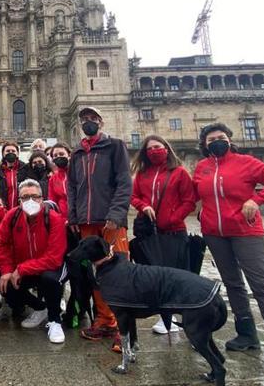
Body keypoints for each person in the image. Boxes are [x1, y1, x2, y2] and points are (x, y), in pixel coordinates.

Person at [193, 123, 264, 380]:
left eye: (221, 137)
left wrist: (256, 200)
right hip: (214, 233)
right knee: (233, 283)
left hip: (247, 232)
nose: (216, 141)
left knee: (262, 286)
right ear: (204, 144)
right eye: (211, 139)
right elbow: (194, 193)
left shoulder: (246, 163)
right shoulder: (202, 167)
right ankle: (246, 333)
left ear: (230, 140)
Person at [67, 106, 132, 352]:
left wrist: (116, 215)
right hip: (86, 221)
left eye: (92, 118)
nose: (88, 122)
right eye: (84, 119)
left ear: (101, 122)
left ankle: (123, 329)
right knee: (97, 275)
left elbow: (124, 182)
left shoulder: (115, 146)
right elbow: (72, 187)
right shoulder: (76, 153)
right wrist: (73, 215)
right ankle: (105, 320)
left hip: (110, 221)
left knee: (119, 272)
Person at [130, 135, 197, 334]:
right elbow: (134, 197)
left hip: (175, 231)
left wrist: (173, 219)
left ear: (166, 149)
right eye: (149, 149)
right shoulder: (142, 174)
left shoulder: (180, 172)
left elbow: (189, 201)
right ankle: (166, 317)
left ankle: (192, 319)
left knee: (179, 275)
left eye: (157, 147)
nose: (153, 151)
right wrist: (144, 206)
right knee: (157, 275)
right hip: (151, 232)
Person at [0, 179, 67, 344]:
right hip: (25, 268)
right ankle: (40, 308)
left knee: (50, 279)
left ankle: (55, 321)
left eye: (35, 196)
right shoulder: (12, 216)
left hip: (51, 268)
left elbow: (54, 259)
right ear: (19, 201)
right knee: (5, 286)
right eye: (25, 197)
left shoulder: (54, 219)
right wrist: (7, 270)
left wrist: (21, 269)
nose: (30, 201)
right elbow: (2, 243)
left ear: (42, 199)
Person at [0, 142, 25, 208]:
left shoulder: (25, 169)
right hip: (5, 209)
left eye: (13, 151)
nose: (10, 153)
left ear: (17, 154)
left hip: (22, 209)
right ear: (3, 154)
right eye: (8, 151)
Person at [47, 143, 71, 215]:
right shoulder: (53, 179)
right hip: (63, 217)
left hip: (81, 216)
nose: (58, 157)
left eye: (61, 154)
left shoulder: (78, 172)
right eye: (55, 155)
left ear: (69, 155)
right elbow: (53, 201)